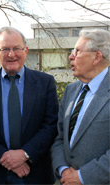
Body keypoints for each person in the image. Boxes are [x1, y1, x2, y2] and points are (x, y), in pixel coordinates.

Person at [0, 26, 59, 185]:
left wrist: (25, 155)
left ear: (26, 51)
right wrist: (6, 158)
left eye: (16, 48)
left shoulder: (45, 82)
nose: (11, 54)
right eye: (5, 49)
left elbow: (51, 125)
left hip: (36, 174)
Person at [51, 29, 110, 185]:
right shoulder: (71, 90)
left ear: (97, 57)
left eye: (76, 51)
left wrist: (83, 177)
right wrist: (63, 169)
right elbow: (59, 137)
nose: (71, 56)